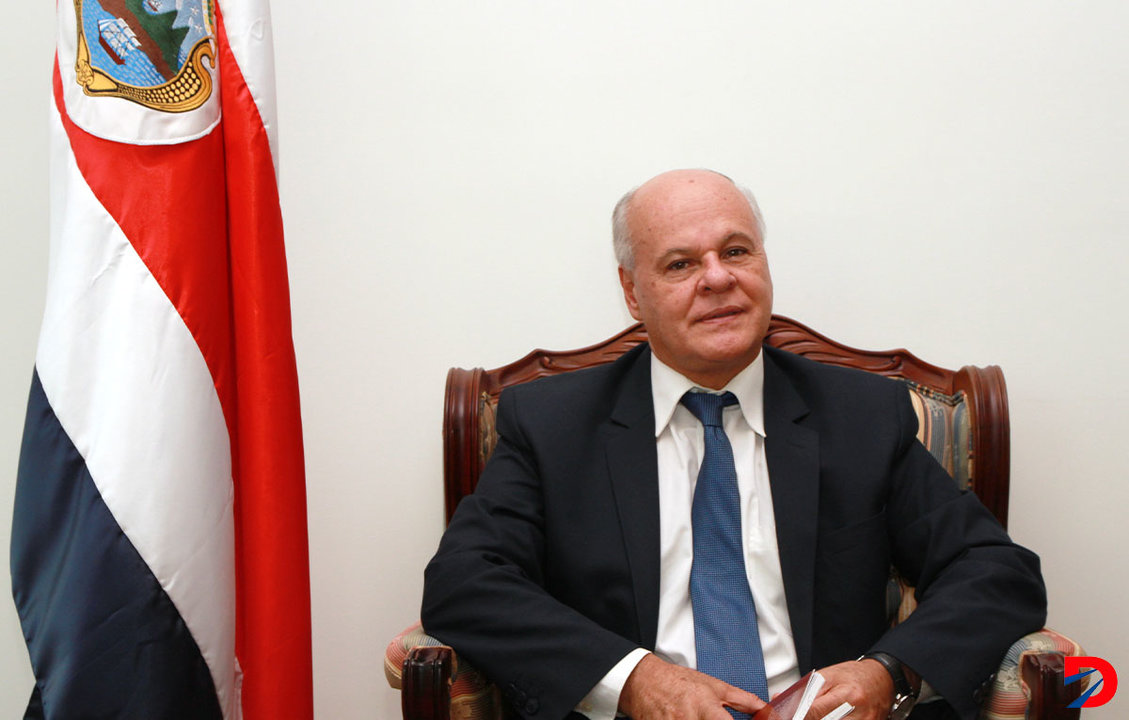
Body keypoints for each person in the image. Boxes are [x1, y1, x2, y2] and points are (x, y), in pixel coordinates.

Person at [421, 169, 1046, 720]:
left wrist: (886, 672)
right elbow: (465, 584)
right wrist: (636, 680)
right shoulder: (553, 424)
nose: (718, 278)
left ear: (764, 264)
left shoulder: (862, 416)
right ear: (633, 292)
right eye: (680, 263)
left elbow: (996, 572)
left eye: (736, 250)